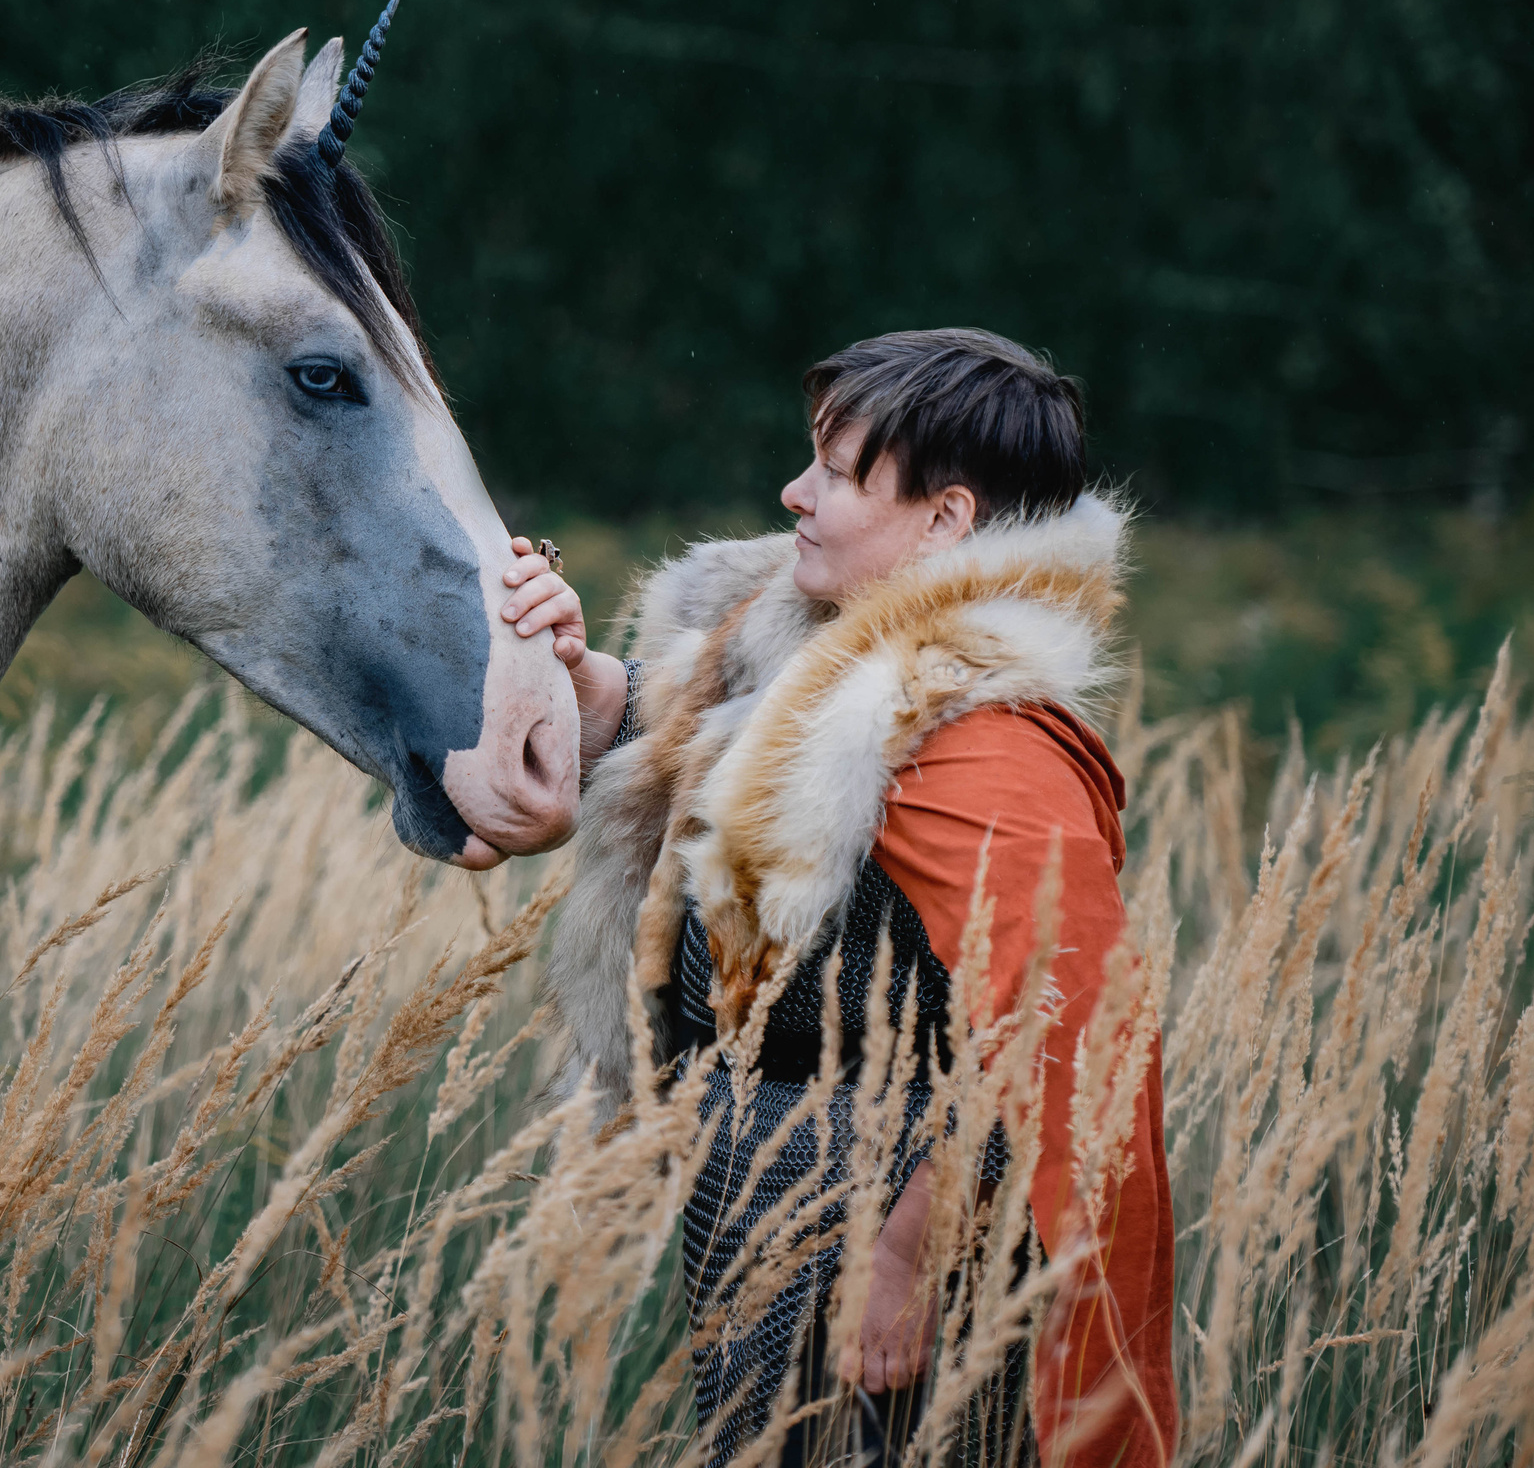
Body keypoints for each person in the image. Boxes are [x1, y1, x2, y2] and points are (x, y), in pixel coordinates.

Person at [500, 328, 1176, 1468]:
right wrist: (573, 673)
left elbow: (1053, 1036)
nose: (795, 493)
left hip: (885, 1230)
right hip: (768, 1195)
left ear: (945, 518)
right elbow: (689, 738)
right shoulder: (827, 646)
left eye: (837, 472)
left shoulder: (983, 730)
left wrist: (907, 1254)